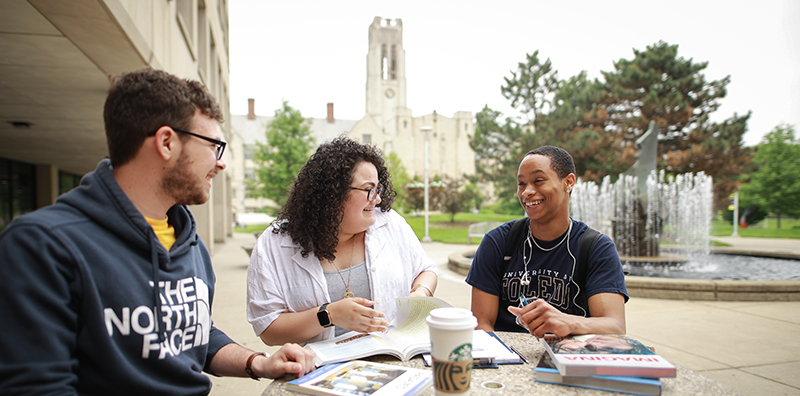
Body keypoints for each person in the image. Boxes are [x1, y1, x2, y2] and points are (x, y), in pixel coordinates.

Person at [0, 68, 315, 395]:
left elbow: (196, 334)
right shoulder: (42, 246)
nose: (221, 163)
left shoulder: (189, 242)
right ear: (166, 142)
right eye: (214, 146)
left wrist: (258, 362)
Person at [247, 136, 438, 345]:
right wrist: (329, 315)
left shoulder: (390, 224)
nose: (378, 199)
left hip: (391, 359)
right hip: (318, 370)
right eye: (369, 189)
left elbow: (425, 269)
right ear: (333, 193)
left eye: (378, 189)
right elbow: (268, 330)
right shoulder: (274, 245)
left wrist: (420, 292)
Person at [466, 146, 627, 337]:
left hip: (569, 360)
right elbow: (481, 324)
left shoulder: (596, 248)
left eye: (538, 181)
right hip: (507, 359)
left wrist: (569, 322)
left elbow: (615, 327)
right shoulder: (498, 242)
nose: (527, 192)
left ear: (568, 182)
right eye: (521, 184)